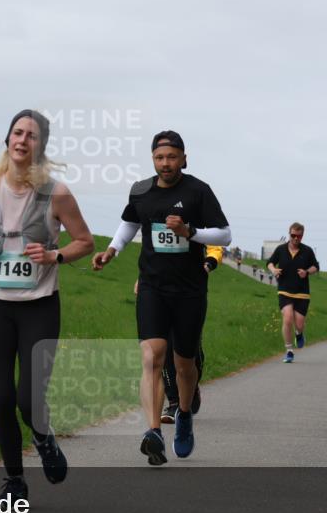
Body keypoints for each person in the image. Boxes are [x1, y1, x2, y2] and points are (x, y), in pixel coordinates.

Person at [0, 109, 95, 508]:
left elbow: (85, 241)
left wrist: (54, 255)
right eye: (17, 133)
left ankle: (42, 435)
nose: (22, 140)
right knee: (1, 397)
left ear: (41, 146)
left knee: (27, 399)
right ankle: (14, 481)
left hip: (39, 306)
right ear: (8, 140)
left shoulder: (56, 193)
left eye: (31, 136)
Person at [93, 130, 230, 464]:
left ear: (183, 158)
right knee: (152, 356)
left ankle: (183, 415)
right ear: (152, 159)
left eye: (171, 157)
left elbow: (224, 234)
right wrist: (112, 250)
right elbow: (129, 223)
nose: (165, 163)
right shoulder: (141, 190)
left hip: (189, 290)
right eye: (159, 157)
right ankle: (153, 431)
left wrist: (190, 232)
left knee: (184, 363)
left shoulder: (199, 191)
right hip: (152, 287)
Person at [157, 245, 222, 424]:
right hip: (161, 290)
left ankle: (191, 390)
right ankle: (174, 403)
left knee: (190, 351)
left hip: (191, 293)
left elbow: (215, 248)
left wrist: (208, 265)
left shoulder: (200, 224)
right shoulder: (161, 221)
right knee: (164, 347)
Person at [267, 222, 320, 363]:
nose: (296, 238)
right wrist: (273, 270)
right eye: (293, 235)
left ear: (302, 236)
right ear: (289, 234)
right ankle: (289, 350)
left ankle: (299, 333)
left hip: (302, 293)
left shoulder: (307, 251)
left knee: (300, 324)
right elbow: (270, 262)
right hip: (284, 290)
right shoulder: (281, 249)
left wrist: (307, 272)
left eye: (299, 236)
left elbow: (316, 266)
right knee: (288, 318)